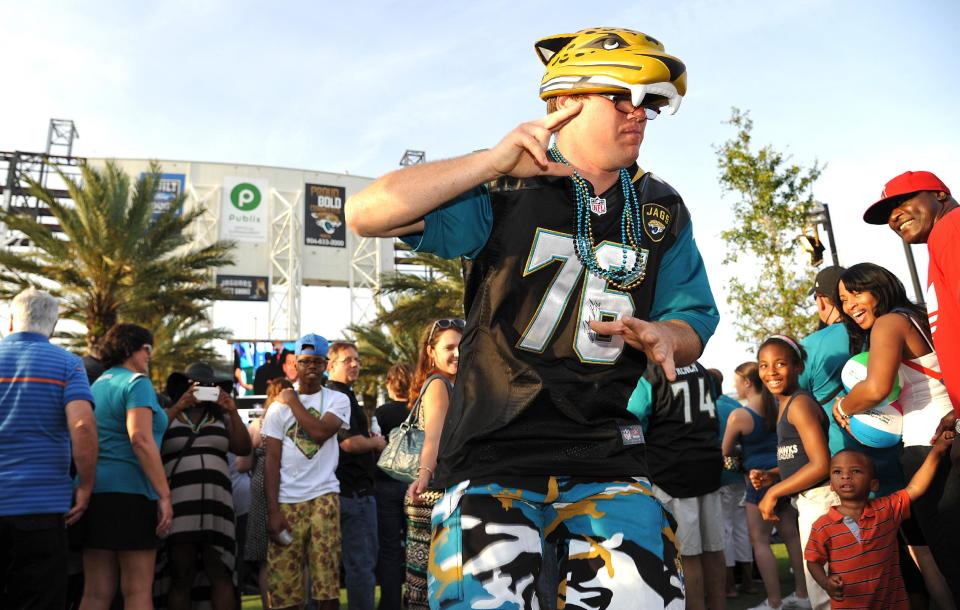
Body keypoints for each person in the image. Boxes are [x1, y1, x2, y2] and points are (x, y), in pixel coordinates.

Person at [347, 27, 719, 609]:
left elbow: (692, 316)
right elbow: (366, 214)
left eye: (648, 102)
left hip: (605, 447)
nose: (638, 113)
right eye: (621, 97)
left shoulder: (661, 206)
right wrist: (492, 159)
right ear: (563, 102)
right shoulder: (502, 184)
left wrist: (666, 336)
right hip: (493, 448)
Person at [831, 262, 958, 603]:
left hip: (927, 446)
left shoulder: (888, 323)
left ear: (880, 287)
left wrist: (843, 406)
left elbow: (875, 388)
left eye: (857, 293)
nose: (849, 305)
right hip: (951, 431)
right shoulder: (915, 315)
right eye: (843, 299)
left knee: (951, 555)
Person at [0, 288, 97, 610]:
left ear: (11, 321)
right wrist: (85, 485)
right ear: (53, 326)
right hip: (40, 509)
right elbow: (82, 427)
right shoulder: (67, 365)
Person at [76, 323, 173, 610]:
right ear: (131, 349)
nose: (149, 357)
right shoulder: (137, 383)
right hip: (133, 492)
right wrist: (164, 494)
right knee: (137, 591)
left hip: (95, 492)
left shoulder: (97, 384)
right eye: (147, 349)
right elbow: (141, 438)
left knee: (95, 592)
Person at [862, 172, 960, 447]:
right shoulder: (943, 238)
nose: (893, 217)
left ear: (939, 194)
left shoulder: (951, 228)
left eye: (902, 201)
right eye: (888, 214)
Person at [805, 442, 952, 608]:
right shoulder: (822, 525)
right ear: (831, 485)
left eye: (855, 471)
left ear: (873, 484)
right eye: (837, 472)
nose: (846, 476)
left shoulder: (886, 510)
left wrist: (937, 451)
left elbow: (915, 488)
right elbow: (813, 561)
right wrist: (825, 582)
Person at [262, 334, 350, 610]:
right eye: (304, 361)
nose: (311, 366)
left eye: (316, 361)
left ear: (325, 364)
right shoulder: (277, 409)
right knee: (284, 586)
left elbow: (321, 432)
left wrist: (292, 400)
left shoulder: (337, 399)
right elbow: (271, 461)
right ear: (295, 365)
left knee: (327, 586)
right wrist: (273, 511)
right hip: (287, 502)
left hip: (324, 497)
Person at [157, 362, 252, 610]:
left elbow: (243, 448)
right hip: (179, 507)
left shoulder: (220, 418)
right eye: (195, 385)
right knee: (181, 576)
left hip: (217, 505)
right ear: (184, 387)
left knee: (220, 573)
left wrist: (232, 411)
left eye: (208, 386)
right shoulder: (169, 413)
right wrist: (179, 405)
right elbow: (150, 436)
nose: (202, 390)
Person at [630, 361, 724, 610]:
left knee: (688, 557)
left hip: (673, 472)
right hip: (709, 467)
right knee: (714, 551)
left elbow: (632, 419)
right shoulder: (701, 367)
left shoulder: (650, 371)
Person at [723, 361, 809, 610]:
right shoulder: (778, 405)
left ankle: (774, 602)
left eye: (737, 381)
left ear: (748, 383)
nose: (735, 386)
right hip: (785, 474)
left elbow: (726, 450)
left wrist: (740, 456)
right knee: (792, 536)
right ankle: (803, 594)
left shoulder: (741, 415)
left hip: (759, 479)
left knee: (759, 540)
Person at [754, 336, 832, 610]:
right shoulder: (785, 404)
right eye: (763, 365)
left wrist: (774, 492)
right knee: (819, 585)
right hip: (809, 501)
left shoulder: (799, 404)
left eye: (780, 363)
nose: (771, 372)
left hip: (821, 501)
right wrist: (774, 475)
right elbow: (802, 458)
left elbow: (822, 464)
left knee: (825, 590)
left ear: (798, 366)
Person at [405, 319, 462, 610]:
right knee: (430, 587)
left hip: (440, 490)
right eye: (448, 347)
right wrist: (424, 475)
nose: (456, 353)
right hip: (433, 493)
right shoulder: (439, 385)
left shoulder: (456, 384)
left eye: (462, 346)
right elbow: (434, 438)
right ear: (431, 352)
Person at [326, 341, 387, 610]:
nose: (355, 364)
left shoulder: (342, 396)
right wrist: (375, 443)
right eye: (347, 360)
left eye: (357, 360)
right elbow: (348, 443)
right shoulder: (337, 396)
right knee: (360, 567)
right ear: (331, 365)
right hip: (352, 494)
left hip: (348, 492)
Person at [240, 376, 293, 610]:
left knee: (265, 557)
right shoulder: (295, 421)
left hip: (261, 485)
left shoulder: (258, 424)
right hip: (291, 484)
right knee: (293, 549)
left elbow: (242, 464)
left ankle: (268, 605)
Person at [708, 368, 754, 600]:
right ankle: (748, 582)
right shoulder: (735, 406)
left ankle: (730, 586)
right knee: (741, 529)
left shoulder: (709, 407)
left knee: (724, 531)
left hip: (720, 476)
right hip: (741, 474)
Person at [373, 363, 413, 610]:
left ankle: (389, 604)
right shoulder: (419, 409)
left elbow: (376, 442)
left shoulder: (381, 413)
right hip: (415, 484)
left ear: (389, 384)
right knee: (418, 547)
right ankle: (418, 599)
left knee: (389, 549)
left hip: (386, 483)